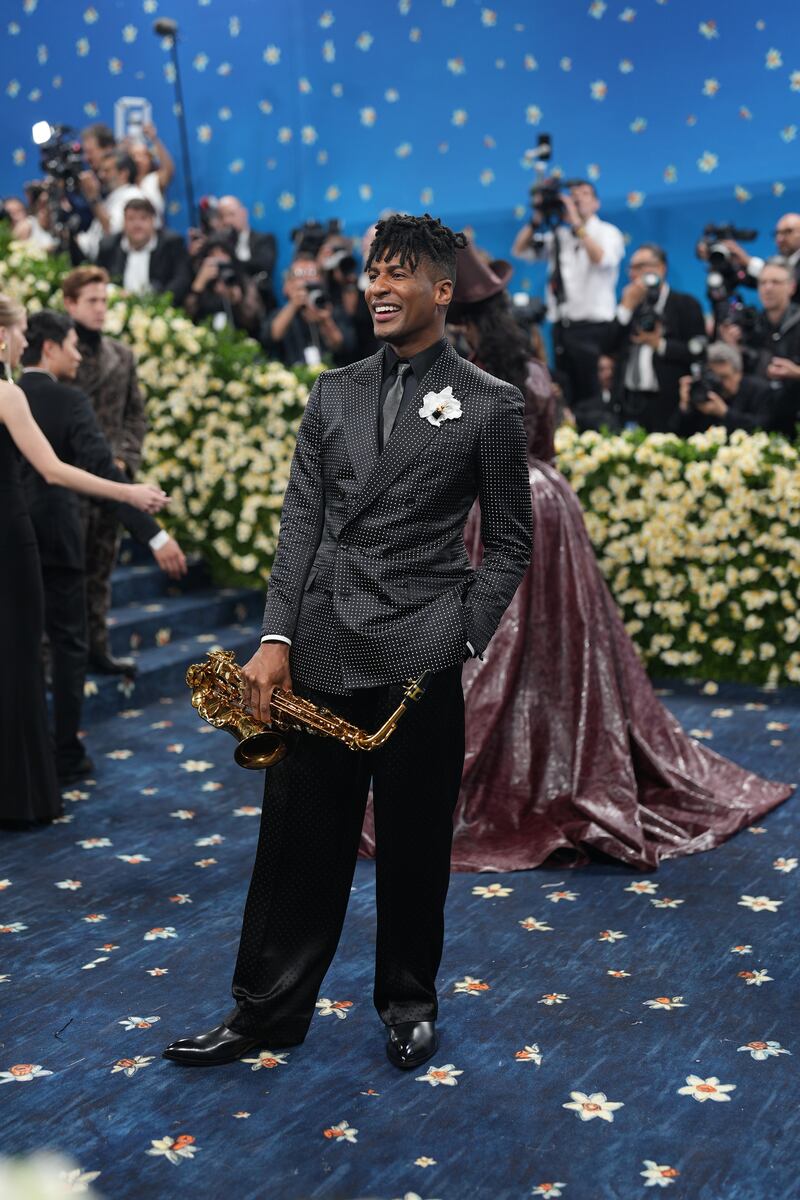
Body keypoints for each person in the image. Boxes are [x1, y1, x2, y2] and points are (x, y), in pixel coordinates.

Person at [162, 213, 532, 1071]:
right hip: (321, 642)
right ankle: (266, 1011)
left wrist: (462, 635)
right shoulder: (332, 390)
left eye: (397, 273)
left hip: (419, 656)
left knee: (412, 842)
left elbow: (509, 539)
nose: (376, 287)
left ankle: (409, 1001)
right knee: (297, 836)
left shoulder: (489, 403)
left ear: (442, 290)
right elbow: (301, 522)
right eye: (371, 272)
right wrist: (275, 635)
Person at [385, 245, 788, 872]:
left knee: (491, 656)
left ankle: (479, 774)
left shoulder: (458, 374)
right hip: (549, 508)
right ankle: (563, 754)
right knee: (559, 648)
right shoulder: (530, 365)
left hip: (496, 513)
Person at [0, 293, 168, 827]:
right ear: (2, 336)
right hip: (12, 541)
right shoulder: (7, 396)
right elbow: (53, 471)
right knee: (22, 665)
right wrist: (127, 494)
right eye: (19, 330)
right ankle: (22, 798)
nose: (24, 341)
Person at [61, 266, 148, 675]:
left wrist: (124, 461)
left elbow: (136, 417)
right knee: (65, 574)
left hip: (112, 484)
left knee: (101, 568)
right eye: (92, 301)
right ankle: (56, 656)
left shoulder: (122, 354)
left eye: (104, 301)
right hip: (67, 482)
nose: (101, 309)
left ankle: (97, 648)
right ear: (70, 303)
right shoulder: (56, 352)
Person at [511, 180, 624, 408]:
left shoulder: (608, 232)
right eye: (572, 195)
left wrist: (575, 223)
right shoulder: (559, 236)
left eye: (584, 194)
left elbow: (601, 258)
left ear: (596, 203)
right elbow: (520, 249)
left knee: (593, 396)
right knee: (567, 392)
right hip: (563, 327)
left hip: (595, 328)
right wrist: (537, 218)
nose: (577, 199)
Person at [604, 243, 706, 432]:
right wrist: (625, 307)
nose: (635, 274)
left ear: (661, 268)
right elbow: (608, 346)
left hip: (668, 401)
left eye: (642, 266)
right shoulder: (628, 304)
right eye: (632, 268)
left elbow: (698, 351)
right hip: (629, 400)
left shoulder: (685, 304)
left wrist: (659, 344)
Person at [725, 257, 800, 438]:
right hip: (759, 423)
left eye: (775, 282)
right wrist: (733, 349)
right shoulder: (750, 325)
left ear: (792, 287)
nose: (768, 288)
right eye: (763, 282)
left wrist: (796, 373)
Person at [263, 255, 356, 367]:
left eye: (312, 275)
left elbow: (342, 346)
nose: (306, 282)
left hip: (330, 376)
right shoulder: (278, 314)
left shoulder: (333, 311)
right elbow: (272, 337)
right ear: (286, 286)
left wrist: (325, 320)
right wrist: (294, 304)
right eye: (299, 276)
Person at [96, 198, 192, 304]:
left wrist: (160, 303)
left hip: (161, 308)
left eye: (143, 218)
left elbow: (181, 279)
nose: (137, 225)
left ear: (153, 221)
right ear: (124, 222)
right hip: (118, 308)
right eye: (131, 219)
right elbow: (99, 281)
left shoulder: (171, 244)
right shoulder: (109, 247)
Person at [672, 342, 775, 437]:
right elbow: (678, 433)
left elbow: (761, 427)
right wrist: (685, 406)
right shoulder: (705, 391)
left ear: (738, 373)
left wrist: (725, 413)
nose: (719, 383)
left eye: (724, 377)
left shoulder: (760, 390)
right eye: (714, 377)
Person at [185, 237, 265, 338]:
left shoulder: (242, 280)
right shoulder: (202, 282)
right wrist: (199, 283)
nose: (219, 258)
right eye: (212, 254)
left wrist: (237, 301)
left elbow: (254, 321)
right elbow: (188, 315)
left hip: (240, 338)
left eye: (223, 253)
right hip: (207, 337)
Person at [215, 195, 277, 304]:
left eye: (231, 214)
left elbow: (262, 266)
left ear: (244, 212)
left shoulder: (264, 239)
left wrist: (231, 261)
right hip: (227, 299)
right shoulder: (220, 244)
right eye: (222, 217)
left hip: (261, 300)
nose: (227, 220)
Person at [126, 121, 175, 223]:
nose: (137, 160)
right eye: (134, 156)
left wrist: (154, 139)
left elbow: (168, 169)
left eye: (142, 156)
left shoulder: (154, 179)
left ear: (149, 160)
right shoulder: (125, 183)